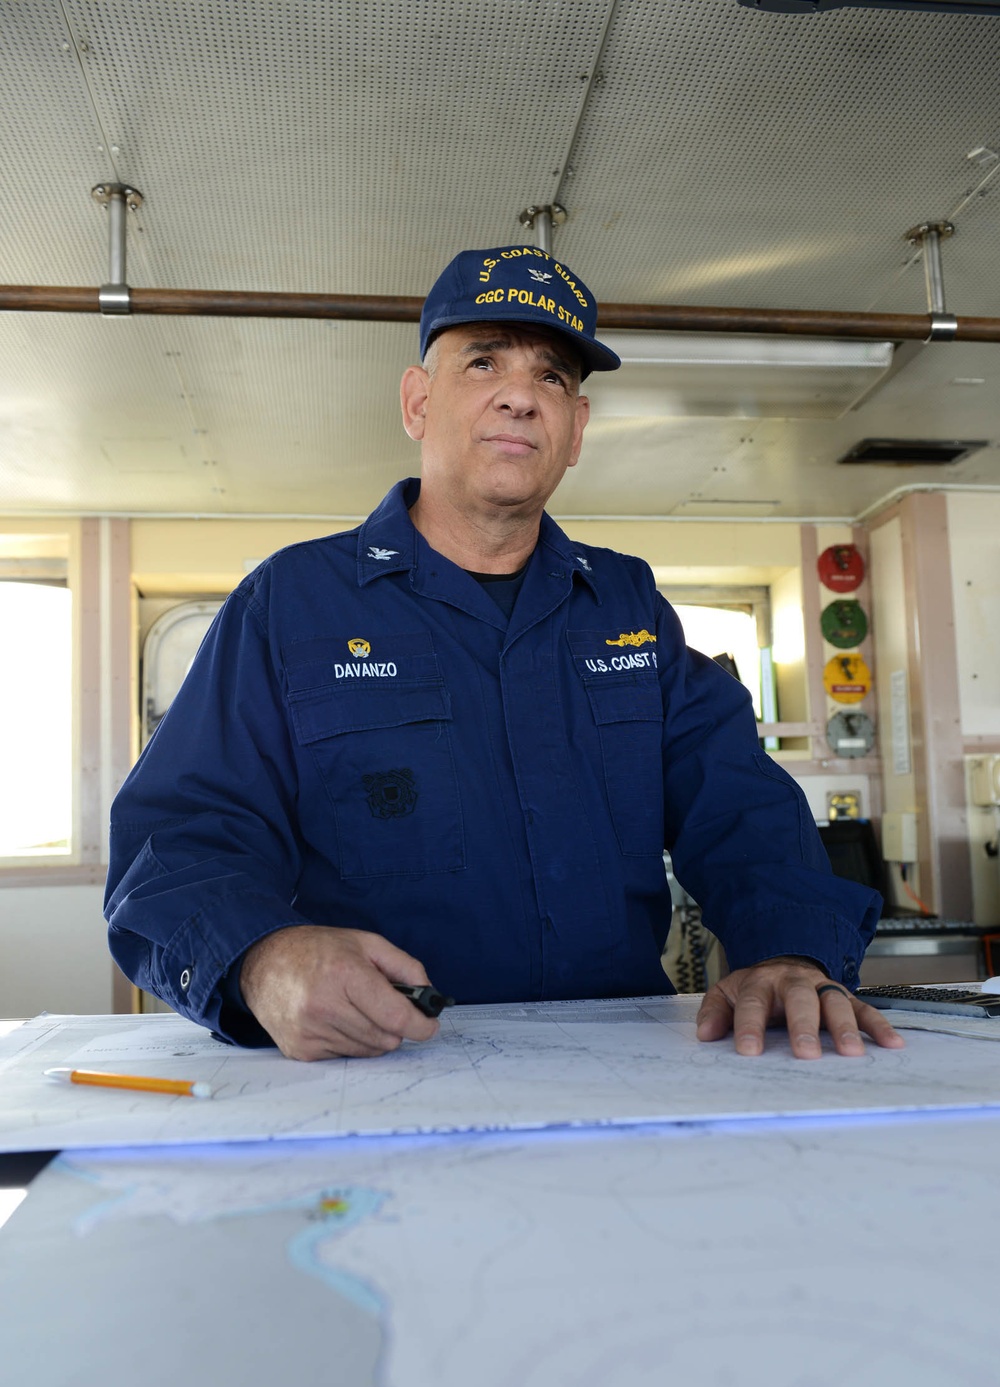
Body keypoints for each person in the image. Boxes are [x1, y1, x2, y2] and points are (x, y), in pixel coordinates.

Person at [105, 243, 902, 1064]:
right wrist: (261, 958)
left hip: (623, 1068)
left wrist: (789, 951)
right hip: (376, 1067)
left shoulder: (628, 609)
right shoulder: (290, 603)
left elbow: (740, 805)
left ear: (577, 429)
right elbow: (182, 834)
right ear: (418, 403)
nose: (521, 396)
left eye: (553, 376)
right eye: (483, 362)